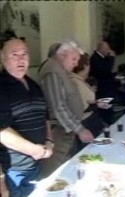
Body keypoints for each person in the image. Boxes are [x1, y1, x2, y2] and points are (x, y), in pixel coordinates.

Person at [0, 39, 53, 196]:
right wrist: (35, 151)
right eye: (14, 54)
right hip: (14, 172)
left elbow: (46, 117)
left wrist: (49, 141)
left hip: (36, 166)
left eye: (24, 54)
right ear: (2, 57)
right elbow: (2, 131)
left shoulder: (34, 85)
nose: (21, 59)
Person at [38, 40, 94, 177]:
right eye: (73, 59)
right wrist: (80, 129)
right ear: (62, 55)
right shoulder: (52, 72)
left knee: (66, 168)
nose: (76, 64)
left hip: (66, 130)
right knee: (55, 173)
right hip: (57, 133)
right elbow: (58, 107)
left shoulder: (60, 70)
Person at [69, 53, 110, 140]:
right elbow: (81, 108)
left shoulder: (77, 80)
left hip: (89, 119)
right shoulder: (77, 83)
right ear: (85, 66)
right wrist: (97, 104)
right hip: (86, 121)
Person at [89, 41, 116, 125]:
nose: (109, 50)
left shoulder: (102, 57)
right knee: (105, 112)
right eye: (107, 48)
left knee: (108, 111)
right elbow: (106, 70)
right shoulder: (95, 58)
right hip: (102, 89)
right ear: (100, 48)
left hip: (106, 88)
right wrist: (111, 58)